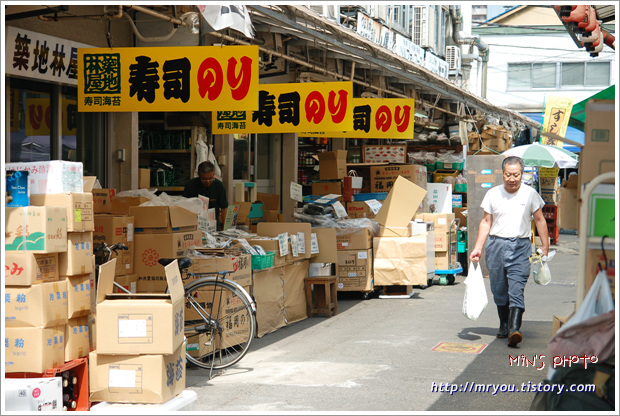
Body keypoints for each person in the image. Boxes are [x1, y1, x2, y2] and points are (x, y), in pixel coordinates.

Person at [469, 156, 549, 347]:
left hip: (521, 246)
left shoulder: (530, 194)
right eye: (508, 175)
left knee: (516, 288)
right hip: (496, 245)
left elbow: (539, 220)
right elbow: (486, 222)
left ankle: (514, 329)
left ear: (522, 174)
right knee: (499, 289)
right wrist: (478, 248)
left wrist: (545, 246)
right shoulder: (492, 194)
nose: (512, 179)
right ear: (502, 174)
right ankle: (503, 324)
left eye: (516, 175)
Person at [183, 161, 228, 230]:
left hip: (214, 225)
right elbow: (184, 206)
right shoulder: (190, 185)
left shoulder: (219, 186)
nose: (207, 181)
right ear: (199, 175)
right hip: (195, 224)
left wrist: (225, 228)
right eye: (204, 179)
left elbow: (224, 208)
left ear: (213, 174)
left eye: (210, 178)